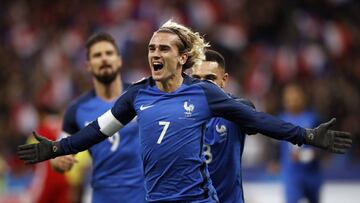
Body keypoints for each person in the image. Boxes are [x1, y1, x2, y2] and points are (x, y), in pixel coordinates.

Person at [18, 20, 352, 203]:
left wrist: (306, 135)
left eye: (163, 48)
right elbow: (99, 129)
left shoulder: (204, 93)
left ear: (181, 58)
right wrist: (59, 148)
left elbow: (259, 121)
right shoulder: (137, 95)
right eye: (151, 48)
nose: (155, 53)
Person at [49, 32, 146, 203]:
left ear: (119, 60)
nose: (104, 59)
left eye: (109, 53)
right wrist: (58, 161)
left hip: (142, 195)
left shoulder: (142, 97)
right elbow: (58, 153)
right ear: (88, 65)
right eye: (97, 55)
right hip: (101, 196)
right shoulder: (77, 110)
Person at [190, 49, 254, 203]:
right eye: (196, 78)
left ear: (224, 80)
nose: (202, 84)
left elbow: (250, 113)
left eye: (210, 78)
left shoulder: (235, 111)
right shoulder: (176, 113)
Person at [276, 84, 323, 203]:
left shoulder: (313, 119)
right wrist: (274, 160)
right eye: (288, 98)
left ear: (303, 98)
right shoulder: (279, 119)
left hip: (312, 174)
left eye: (295, 98)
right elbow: (274, 144)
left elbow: (321, 148)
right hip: (291, 175)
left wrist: (303, 156)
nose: (291, 102)